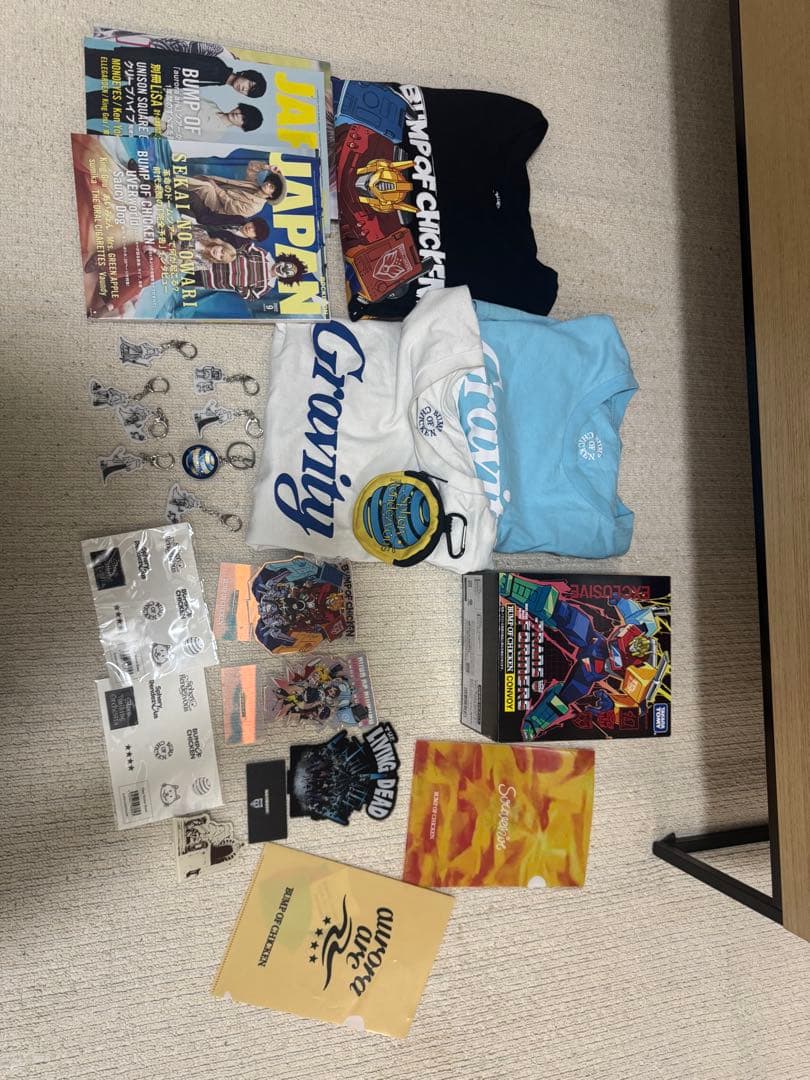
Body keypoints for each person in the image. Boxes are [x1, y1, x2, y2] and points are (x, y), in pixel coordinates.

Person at [85, 47, 267, 96]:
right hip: (144, 64)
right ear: (245, 75)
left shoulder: (218, 79)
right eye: (249, 84)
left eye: (248, 92)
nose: (244, 89)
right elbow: (177, 58)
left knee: (95, 69)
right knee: (93, 63)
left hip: (146, 74)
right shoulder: (218, 66)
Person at [194, 248, 307, 301]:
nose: (284, 269)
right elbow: (244, 248)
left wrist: (240, 285)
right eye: (287, 265)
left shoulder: (267, 286)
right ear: (283, 260)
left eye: (288, 273)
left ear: (286, 278)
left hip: (208, 280)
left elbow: (251, 297)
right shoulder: (264, 255)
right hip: (208, 260)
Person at [186, 161, 287, 220]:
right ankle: (181, 184)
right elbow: (252, 167)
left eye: (271, 187)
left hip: (217, 208)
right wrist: (268, 167)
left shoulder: (254, 207)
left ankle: (177, 182)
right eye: (269, 182)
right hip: (217, 190)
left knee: (206, 187)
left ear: (271, 195)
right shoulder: (254, 186)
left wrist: (215, 187)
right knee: (205, 179)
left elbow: (230, 206)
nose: (268, 184)